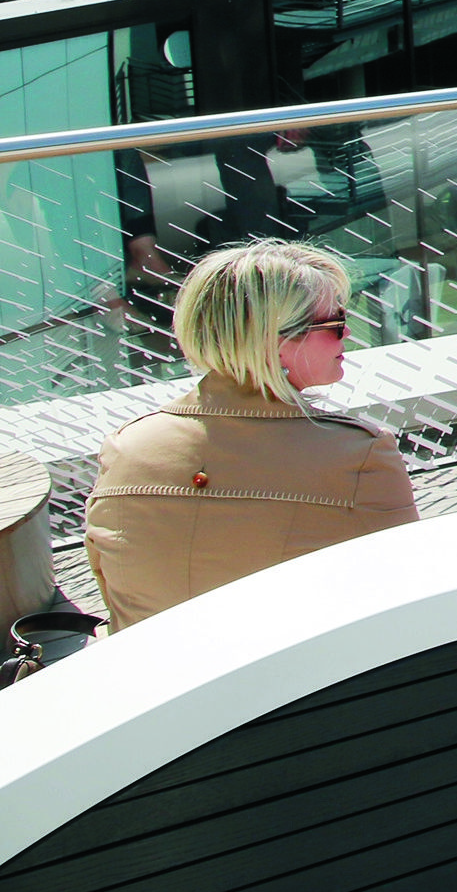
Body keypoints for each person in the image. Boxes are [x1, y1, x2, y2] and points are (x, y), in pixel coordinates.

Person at [84, 241, 417, 630]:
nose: (348, 336)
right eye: (337, 323)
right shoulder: (359, 456)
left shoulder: (126, 448)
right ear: (276, 343)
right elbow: (407, 597)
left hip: (147, 683)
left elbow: (116, 596)